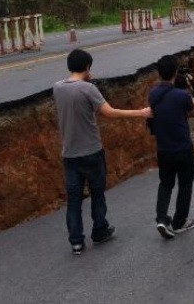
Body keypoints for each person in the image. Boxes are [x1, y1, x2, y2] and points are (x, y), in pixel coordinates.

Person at [53, 48, 151, 255]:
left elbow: (75, 92)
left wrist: (87, 80)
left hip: (69, 155)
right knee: (97, 194)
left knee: (74, 200)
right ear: (88, 67)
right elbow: (109, 112)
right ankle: (99, 230)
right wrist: (140, 113)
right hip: (91, 152)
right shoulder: (89, 89)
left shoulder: (58, 88)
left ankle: (76, 242)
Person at [149, 55, 194, 240]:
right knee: (185, 184)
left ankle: (162, 218)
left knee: (166, 184)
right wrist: (187, 89)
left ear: (159, 73)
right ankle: (179, 222)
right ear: (176, 72)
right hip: (183, 147)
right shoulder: (182, 95)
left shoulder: (153, 94)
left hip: (163, 149)